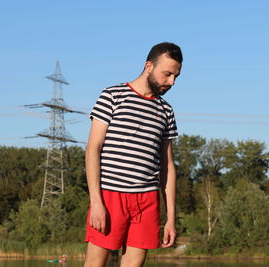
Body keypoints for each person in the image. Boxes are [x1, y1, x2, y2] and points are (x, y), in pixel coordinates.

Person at [84, 42, 182, 267]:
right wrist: (96, 202)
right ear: (149, 66)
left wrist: (171, 219)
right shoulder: (112, 96)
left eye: (176, 76)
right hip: (110, 196)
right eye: (167, 74)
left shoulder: (166, 111)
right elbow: (93, 149)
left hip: (147, 200)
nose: (171, 82)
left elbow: (167, 166)